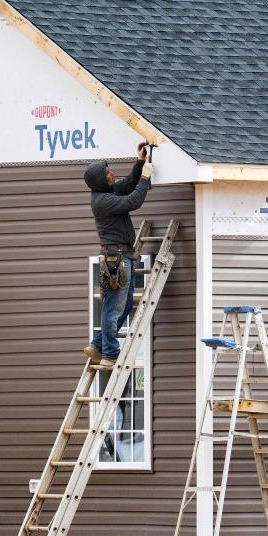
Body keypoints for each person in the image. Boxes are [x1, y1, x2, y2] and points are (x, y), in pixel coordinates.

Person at [82, 142, 154, 368]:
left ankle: (98, 345)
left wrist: (140, 163)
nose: (112, 174)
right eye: (107, 173)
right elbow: (133, 200)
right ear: (101, 180)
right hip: (117, 258)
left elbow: (128, 184)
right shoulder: (102, 201)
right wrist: (145, 178)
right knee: (113, 308)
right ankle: (110, 354)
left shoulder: (108, 191)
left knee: (121, 307)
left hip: (122, 256)